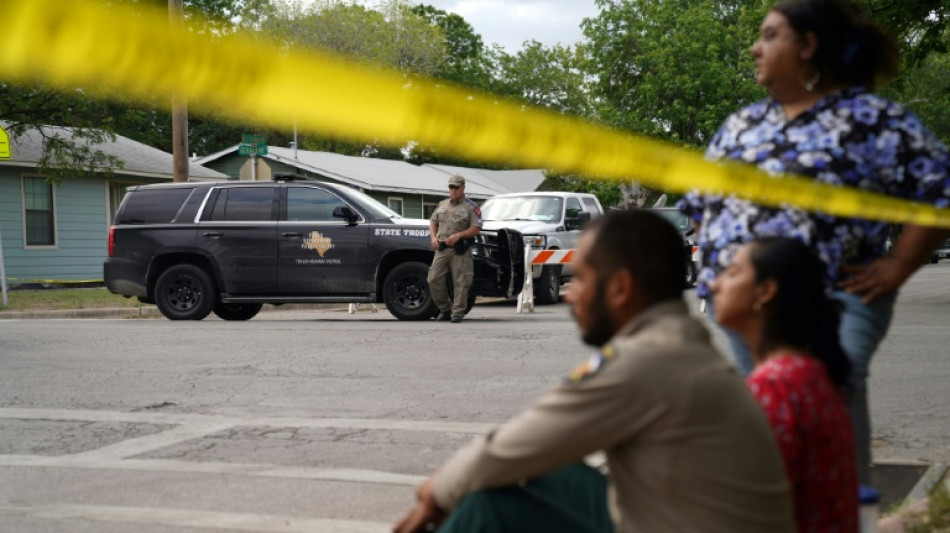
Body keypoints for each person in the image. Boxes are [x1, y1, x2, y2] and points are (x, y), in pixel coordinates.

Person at [678, 0, 950, 484]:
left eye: (769, 35)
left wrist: (898, 266)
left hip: (837, 298)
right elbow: (700, 207)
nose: (753, 47)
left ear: (807, 46)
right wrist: (726, 269)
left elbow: (939, 191)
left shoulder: (871, 120)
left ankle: (846, 511)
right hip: (748, 307)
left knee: (828, 401)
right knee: (769, 417)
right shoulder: (741, 125)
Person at [395, 210, 795, 533]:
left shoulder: (648, 360)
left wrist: (438, 490)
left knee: (487, 502)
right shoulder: (677, 342)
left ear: (620, 288)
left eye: (583, 279)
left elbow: (517, 444)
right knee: (532, 472)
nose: (572, 296)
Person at [711, 237, 858, 532]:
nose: (715, 285)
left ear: (765, 291)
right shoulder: (809, 373)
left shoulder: (774, 388)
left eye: (733, 272)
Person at [428, 174, 482, 323]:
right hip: (442, 248)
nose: (453, 190)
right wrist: (433, 237)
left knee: (461, 281)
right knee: (433, 278)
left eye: (456, 187)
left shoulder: (471, 207)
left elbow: (476, 228)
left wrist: (459, 235)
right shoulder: (442, 204)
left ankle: (457, 312)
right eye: (451, 187)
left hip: (460, 249)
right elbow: (433, 222)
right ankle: (445, 309)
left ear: (463, 188)